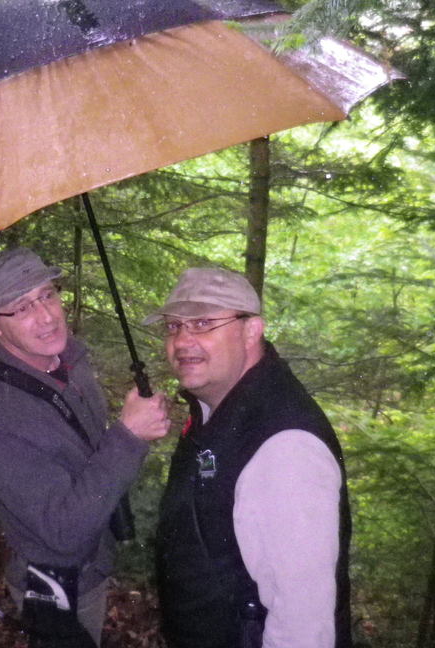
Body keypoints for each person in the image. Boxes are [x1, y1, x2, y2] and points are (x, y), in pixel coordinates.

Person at [0, 247, 170, 647]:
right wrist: (129, 436)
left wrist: (135, 432)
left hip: (94, 563)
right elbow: (63, 531)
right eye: (22, 308)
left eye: (47, 295)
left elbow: (88, 459)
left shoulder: (68, 362)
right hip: (60, 585)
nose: (46, 316)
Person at [147, 267, 352, 648]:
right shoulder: (215, 410)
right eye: (174, 326)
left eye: (203, 323)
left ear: (251, 331)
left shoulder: (285, 447)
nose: (182, 340)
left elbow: (303, 625)